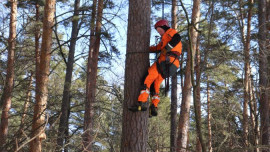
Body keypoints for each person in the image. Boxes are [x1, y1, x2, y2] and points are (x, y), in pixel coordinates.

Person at [129, 19, 182, 116]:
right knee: (155, 83)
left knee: (147, 77)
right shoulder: (164, 40)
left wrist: (167, 48)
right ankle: (154, 107)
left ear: (164, 26)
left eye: (159, 30)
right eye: (157, 31)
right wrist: (147, 49)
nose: (159, 32)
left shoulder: (170, 32)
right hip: (172, 65)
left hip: (166, 61)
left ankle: (141, 103)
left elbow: (177, 38)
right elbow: (158, 48)